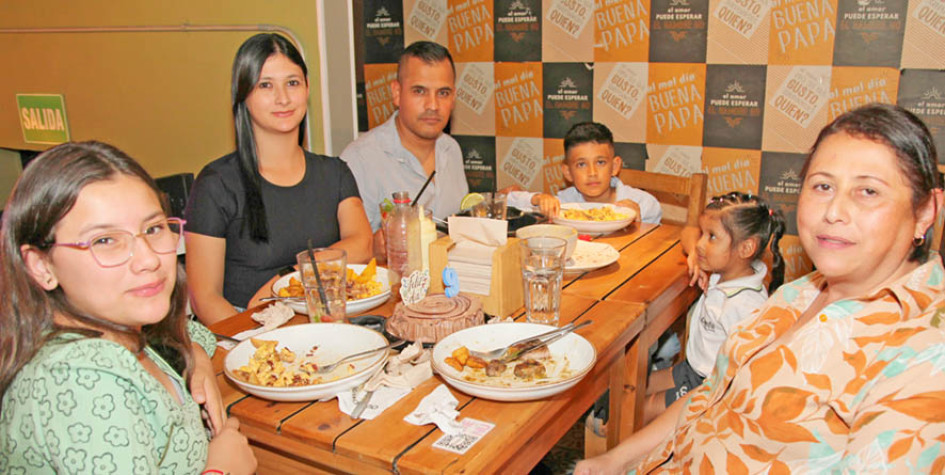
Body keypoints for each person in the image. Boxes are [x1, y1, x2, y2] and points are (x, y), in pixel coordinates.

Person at [576, 103, 945, 473]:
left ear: (926, 211)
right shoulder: (798, 293)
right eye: (823, 185)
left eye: (868, 191)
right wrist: (612, 461)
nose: (834, 211)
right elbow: (712, 395)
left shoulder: (925, 356)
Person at [0, 141, 256, 473]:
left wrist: (194, 354)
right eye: (104, 240)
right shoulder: (79, 381)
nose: (149, 259)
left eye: (153, 229)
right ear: (40, 266)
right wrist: (222, 469)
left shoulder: (122, 327)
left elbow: (189, 331)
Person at [185, 33, 372, 324]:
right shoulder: (216, 184)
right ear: (243, 94)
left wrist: (286, 277)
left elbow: (361, 245)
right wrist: (257, 343)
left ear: (307, 88)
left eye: (293, 83)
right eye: (265, 85)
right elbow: (204, 298)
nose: (283, 98)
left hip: (326, 328)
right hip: (247, 335)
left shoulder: (334, 172)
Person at [643, 192, 785, 424]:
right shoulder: (727, 272)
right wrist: (693, 257)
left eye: (711, 237)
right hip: (692, 367)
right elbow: (687, 232)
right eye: (703, 234)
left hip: (709, 386)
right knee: (632, 389)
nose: (699, 243)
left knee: (638, 411)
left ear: (746, 248)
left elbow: (751, 371)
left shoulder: (745, 305)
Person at [340, 41, 468, 260]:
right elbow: (341, 258)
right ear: (397, 93)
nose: (433, 105)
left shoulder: (451, 149)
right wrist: (374, 251)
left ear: (454, 97)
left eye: (443, 93)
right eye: (420, 91)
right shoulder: (358, 160)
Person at [506, 122, 662, 224]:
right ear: (567, 172)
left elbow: (655, 249)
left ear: (615, 166)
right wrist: (538, 198)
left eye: (600, 162)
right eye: (581, 164)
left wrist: (637, 224)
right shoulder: (563, 204)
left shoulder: (643, 203)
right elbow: (505, 202)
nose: (592, 173)